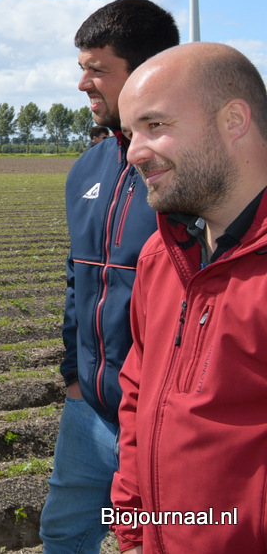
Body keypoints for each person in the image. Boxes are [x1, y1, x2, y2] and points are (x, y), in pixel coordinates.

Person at [111, 42, 267, 553]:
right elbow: (137, 397)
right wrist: (132, 529)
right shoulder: (161, 256)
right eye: (130, 133)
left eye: (155, 125)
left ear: (234, 120)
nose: (133, 152)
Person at [39, 0, 179, 554]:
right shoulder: (87, 168)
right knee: (64, 534)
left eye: (97, 70)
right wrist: (74, 375)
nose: (83, 84)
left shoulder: (188, 173)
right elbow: (77, 278)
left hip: (163, 418)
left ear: (144, 72)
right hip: (91, 410)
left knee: (164, 539)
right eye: (82, 68)